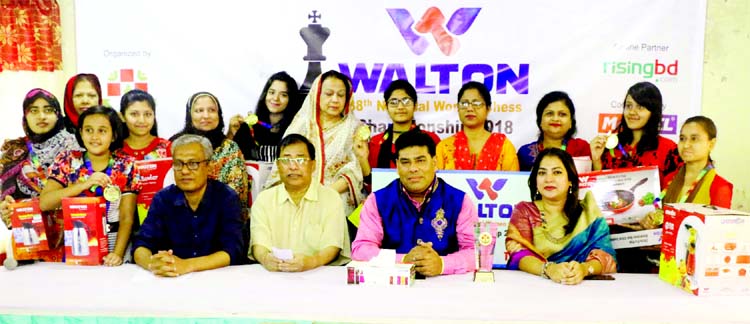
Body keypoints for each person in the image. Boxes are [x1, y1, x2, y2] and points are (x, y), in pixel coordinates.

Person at [352, 129, 478, 277]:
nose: (413, 169)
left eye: (420, 161)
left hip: (445, 287)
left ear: (435, 163)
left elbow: (474, 252)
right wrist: (403, 260)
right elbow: (361, 249)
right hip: (393, 287)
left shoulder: (459, 200)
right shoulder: (378, 200)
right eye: (405, 162)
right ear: (397, 166)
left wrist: (442, 264)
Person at [617, 116, 733, 273]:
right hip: (657, 266)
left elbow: (716, 240)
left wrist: (666, 240)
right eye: (682, 138)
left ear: (711, 144)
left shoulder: (720, 187)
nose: (686, 145)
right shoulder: (670, 179)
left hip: (692, 271)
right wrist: (649, 223)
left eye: (694, 139)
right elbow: (661, 220)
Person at [133, 135, 245, 277]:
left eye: (193, 163)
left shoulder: (226, 197)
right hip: (173, 281)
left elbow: (233, 250)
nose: (184, 171)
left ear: (209, 167)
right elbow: (141, 244)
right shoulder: (163, 199)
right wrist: (152, 263)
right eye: (178, 164)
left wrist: (188, 265)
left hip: (216, 279)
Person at [40, 106, 137, 266]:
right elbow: (45, 203)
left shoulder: (126, 164)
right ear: (81, 133)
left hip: (114, 246)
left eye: (102, 131)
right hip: (77, 247)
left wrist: (117, 254)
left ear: (114, 135)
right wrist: (84, 185)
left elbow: (127, 217)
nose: (94, 137)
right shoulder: (67, 160)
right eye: (89, 130)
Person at [505, 148, 617, 284]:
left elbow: (606, 256)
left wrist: (584, 269)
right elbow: (518, 253)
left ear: (570, 180)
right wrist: (549, 269)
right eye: (542, 173)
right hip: (535, 289)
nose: (548, 179)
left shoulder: (588, 212)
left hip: (583, 290)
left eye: (557, 172)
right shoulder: (525, 211)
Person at [265, 71, 366, 216]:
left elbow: (353, 172)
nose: (335, 100)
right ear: (317, 95)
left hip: (335, 201)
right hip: (297, 200)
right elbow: (283, 164)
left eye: (341, 95)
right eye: (329, 94)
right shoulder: (301, 125)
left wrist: (321, 197)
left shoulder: (354, 128)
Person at [250, 134, 350, 272]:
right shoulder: (264, 199)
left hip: (318, 277)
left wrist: (312, 262)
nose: (293, 166)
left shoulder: (330, 198)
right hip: (274, 278)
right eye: (286, 160)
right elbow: (259, 244)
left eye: (301, 160)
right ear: (278, 165)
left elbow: (332, 246)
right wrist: (266, 259)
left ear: (313, 165)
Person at [1, 89, 79, 234]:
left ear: (57, 115)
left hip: (74, 234)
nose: (41, 116)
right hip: (30, 238)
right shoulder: (16, 151)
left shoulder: (76, 147)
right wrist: (5, 209)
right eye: (34, 111)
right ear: (25, 115)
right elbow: (5, 200)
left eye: (48, 110)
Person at [590, 82, 680, 188]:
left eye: (640, 107)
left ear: (653, 111)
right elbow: (599, 192)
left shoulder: (668, 148)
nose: (632, 112)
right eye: (628, 106)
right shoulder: (611, 145)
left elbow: (671, 193)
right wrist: (596, 161)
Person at [170, 92, 248, 213]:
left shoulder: (229, 148)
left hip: (220, 217)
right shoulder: (175, 144)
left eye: (211, 110)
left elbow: (236, 192)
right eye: (199, 110)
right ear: (190, 115)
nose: (206, 116)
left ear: (219, 115)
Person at [436, 81, 519, 171]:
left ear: (488, 109)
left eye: (477, 104)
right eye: (464, 104)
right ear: (458, 108)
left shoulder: (504, 146)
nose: (470, 108)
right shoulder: (444, 147)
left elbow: (512, 182)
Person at [228, 71, 302, 162]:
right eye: (272, 92)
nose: (275, 98)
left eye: (283, 95)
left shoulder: (297, 129)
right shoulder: (248, 127)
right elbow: (231, 161)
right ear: (265, 94)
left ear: (291, 100)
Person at [367, 79, 441, 170]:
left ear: (415, 105)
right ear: (386, 107)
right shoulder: (376, 142)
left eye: (406, 101)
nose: (400, 107)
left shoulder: (431, 139)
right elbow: (371, 180)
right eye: (394, 102)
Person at [517, 91, 591, 171]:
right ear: (540, 121)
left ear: (570, 123)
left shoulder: (581, 148)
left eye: (562, 114)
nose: (555, 119)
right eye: (549, 114)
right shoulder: (525, 153)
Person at [114, 89, 171, 160]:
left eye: (147, 114)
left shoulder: (167, 148)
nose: (142, 120)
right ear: (122, 116)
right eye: (134, 114)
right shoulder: (115, 150)